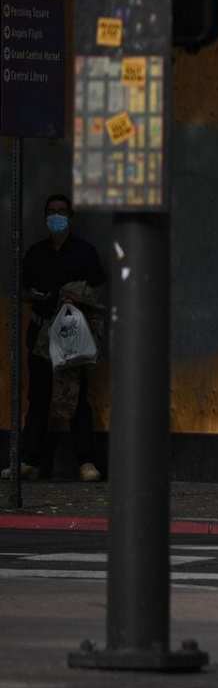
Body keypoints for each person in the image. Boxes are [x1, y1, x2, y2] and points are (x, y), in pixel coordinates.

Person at [8, 193, 106, 482]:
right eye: (51, 211)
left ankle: (86, 461)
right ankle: (30, 461)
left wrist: (78, 297)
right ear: (45, 216)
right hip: (41, 332)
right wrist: (36, 297)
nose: (56, 216)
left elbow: (98, 290)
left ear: (71, 217)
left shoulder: (84, 252)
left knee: (76, 397)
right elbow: (22, 290)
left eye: (61, 211)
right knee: (38, 397)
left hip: (71, 335)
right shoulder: (36, 253)